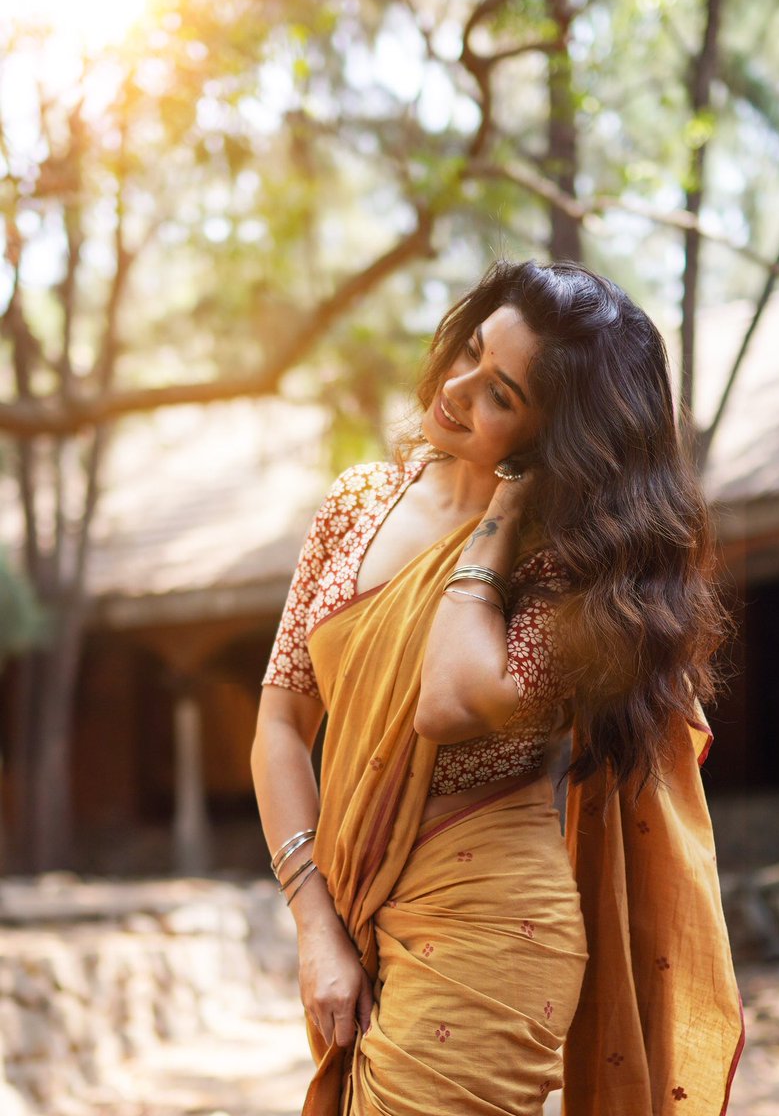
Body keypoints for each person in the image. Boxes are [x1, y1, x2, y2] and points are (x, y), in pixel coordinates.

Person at [252, 259, 744, 1116]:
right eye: (471, 350)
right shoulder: (356, 503)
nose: (456, 387)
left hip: (492, 927)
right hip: (355, 911)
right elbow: (280, 723)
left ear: (555, 438)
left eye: (501, 396)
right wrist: (315, 928)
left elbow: (447, 699)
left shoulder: (577, 577)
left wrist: (497, 524)